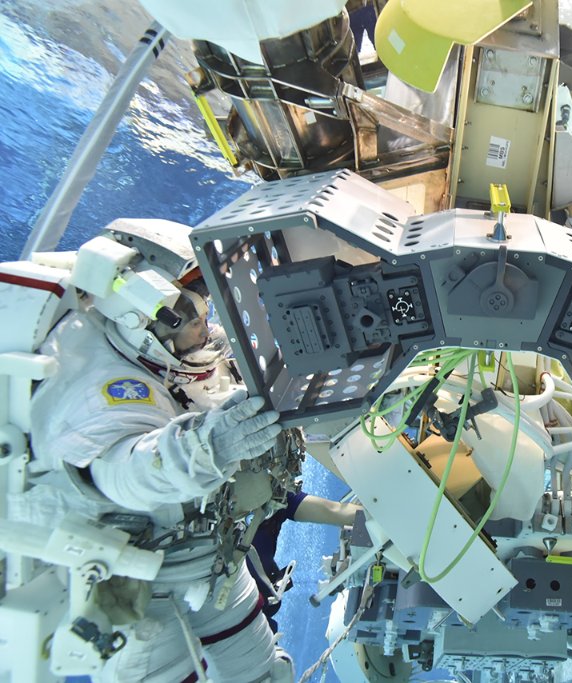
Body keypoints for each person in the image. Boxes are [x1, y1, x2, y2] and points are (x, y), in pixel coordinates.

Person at [24, 219, 294, 682]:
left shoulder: (159, 355)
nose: (205, 325)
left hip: (208, 561)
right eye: (194, 316)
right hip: (136, 585)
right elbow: (123, 473)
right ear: (145, 311)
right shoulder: (97, 377)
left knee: (265, 676)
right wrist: (211, 447)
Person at [247, 490, 359, 632]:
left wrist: (382, 515)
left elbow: (335, 511)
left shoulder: (276, 495)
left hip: (254, 619)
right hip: (231, 619)